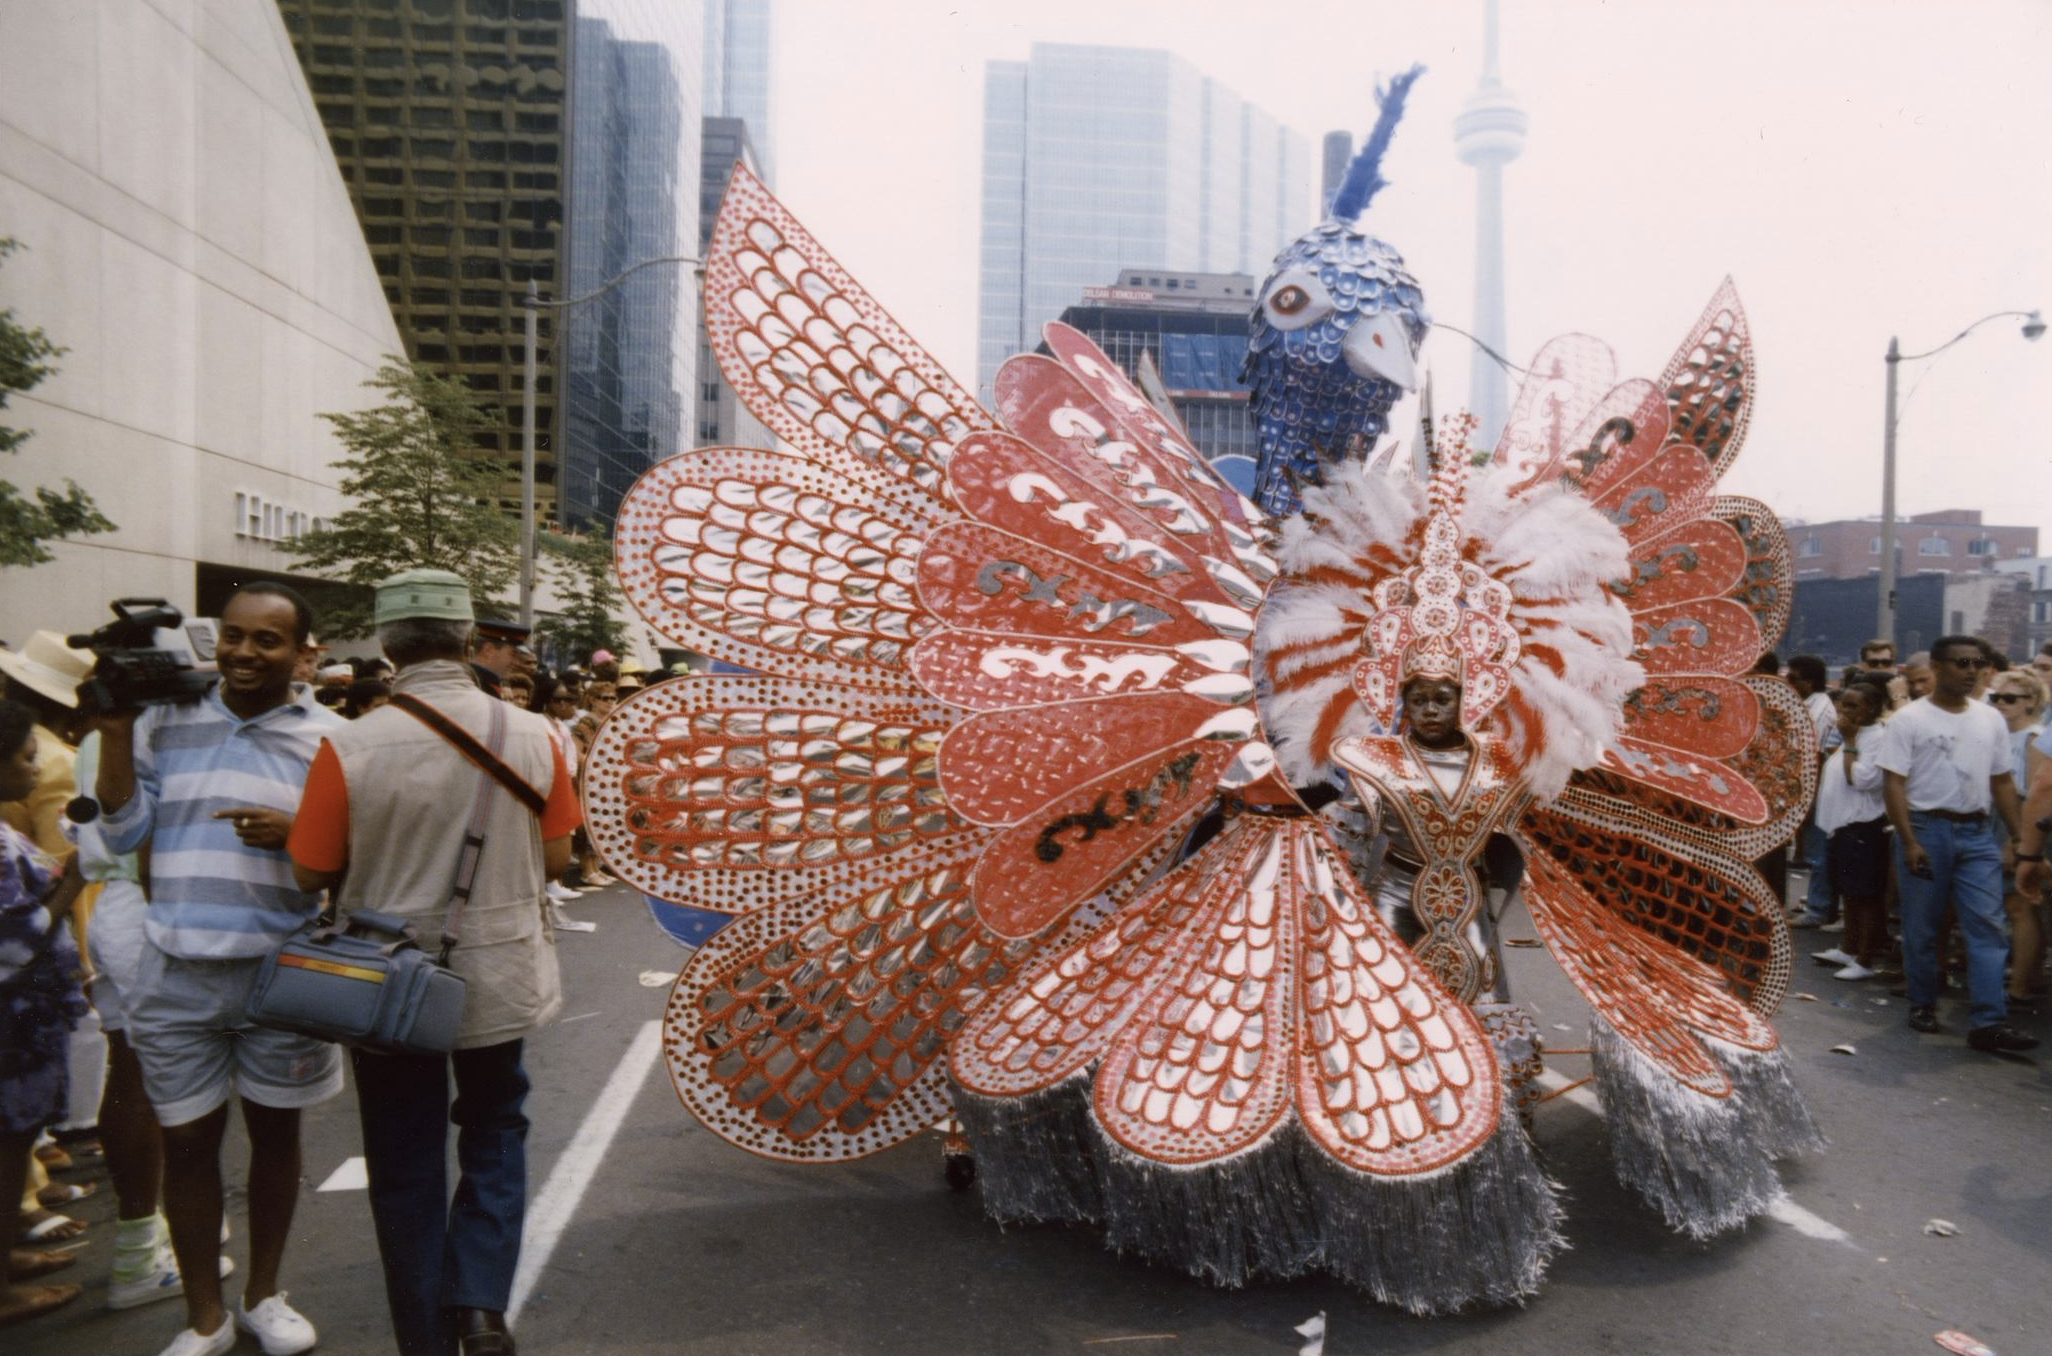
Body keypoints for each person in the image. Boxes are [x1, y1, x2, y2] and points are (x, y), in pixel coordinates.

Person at [286, 570, 578, 1356]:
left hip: (386, 987)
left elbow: (311, 873)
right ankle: (479, 1303)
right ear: (464, 637)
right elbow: (557, 858)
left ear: (389, 643)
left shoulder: (346, 745)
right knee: (495, 1125)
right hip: (497, 971)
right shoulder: (538, 737)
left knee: (403, 1151)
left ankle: (420, 1333)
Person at [95, 583, 344, 1356]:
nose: (243, 652)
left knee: (277, 1137)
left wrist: (300, 833)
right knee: (189, 1146)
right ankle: (203, 1316)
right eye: (233, 636)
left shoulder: (332, 738)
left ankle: (264, 1295)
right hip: (177, 969)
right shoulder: (164, 722)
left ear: (303, 653)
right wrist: (112, 728)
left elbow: (350, 856)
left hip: (285, 969)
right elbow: (123, 826)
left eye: (266, 641)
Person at [1871, 635, 2032, 1052]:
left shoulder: (1989, 718)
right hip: (1926, 830)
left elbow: (2001, 781)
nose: (1971, 671)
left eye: (1976, 664)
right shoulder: (1910, 720)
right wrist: (1908, 840)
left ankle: (1988, 1022)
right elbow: (1894, 783)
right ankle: (1923, 1001)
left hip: (1977, 833)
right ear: (1938, 668)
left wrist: (2018, 837)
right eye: (1961, 663)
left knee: (1988, 925)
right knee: (1923, 926)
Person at [1809, 681, 1891, 980]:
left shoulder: (1876, 737)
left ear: (1870, 708)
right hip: (1842, 825)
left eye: (1852, 706)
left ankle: (1866, 958)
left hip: (1864, 824)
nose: (1844, 711)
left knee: (1866, 894)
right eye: (1843, 705)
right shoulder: (1852, 734)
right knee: (1850, 892)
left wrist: (1851, 742)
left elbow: (1862, 779)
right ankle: (1849, 946)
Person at [1989, 668, 2048, 1009]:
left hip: (2022, 823)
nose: (2001, 704)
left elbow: (2035, 792)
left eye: (2010, 699)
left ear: (2032, 702)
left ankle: (2022, 986)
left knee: (2021, 907)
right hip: (1997, 820)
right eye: (1997, 698)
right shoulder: (2000, 735)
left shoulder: (2034, 739)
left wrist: (2018, 843)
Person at [1786, 655, 1838, 929]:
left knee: (1819, 853)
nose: (1789, 683)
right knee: (1814, 851)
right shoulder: (1807, 705)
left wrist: (1810, 796)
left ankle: (1819, 909)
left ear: (1808, 681)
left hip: (1815, 787)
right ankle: (1818, 904)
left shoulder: (1822, 710)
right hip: (1803, 785)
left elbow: (1815, 758)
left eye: (1793, 678)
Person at [468, 619, 530, 698]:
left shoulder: (481, 682)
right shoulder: (476, 685)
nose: (516, 663)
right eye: (513, 654)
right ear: (488, 650)